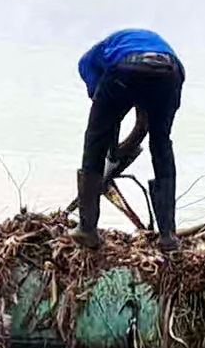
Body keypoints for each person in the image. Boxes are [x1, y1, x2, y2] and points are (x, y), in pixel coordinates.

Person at [73, 28, 185, 251]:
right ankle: (167, 235)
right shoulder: (154, 47)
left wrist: (110, 148)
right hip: (169, 71)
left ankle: (87, 229)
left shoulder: (90, 60)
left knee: (94, 142)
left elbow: (102, 108)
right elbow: (145, 122)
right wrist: (119, 148)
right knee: (161, 145)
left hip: (125, 69)